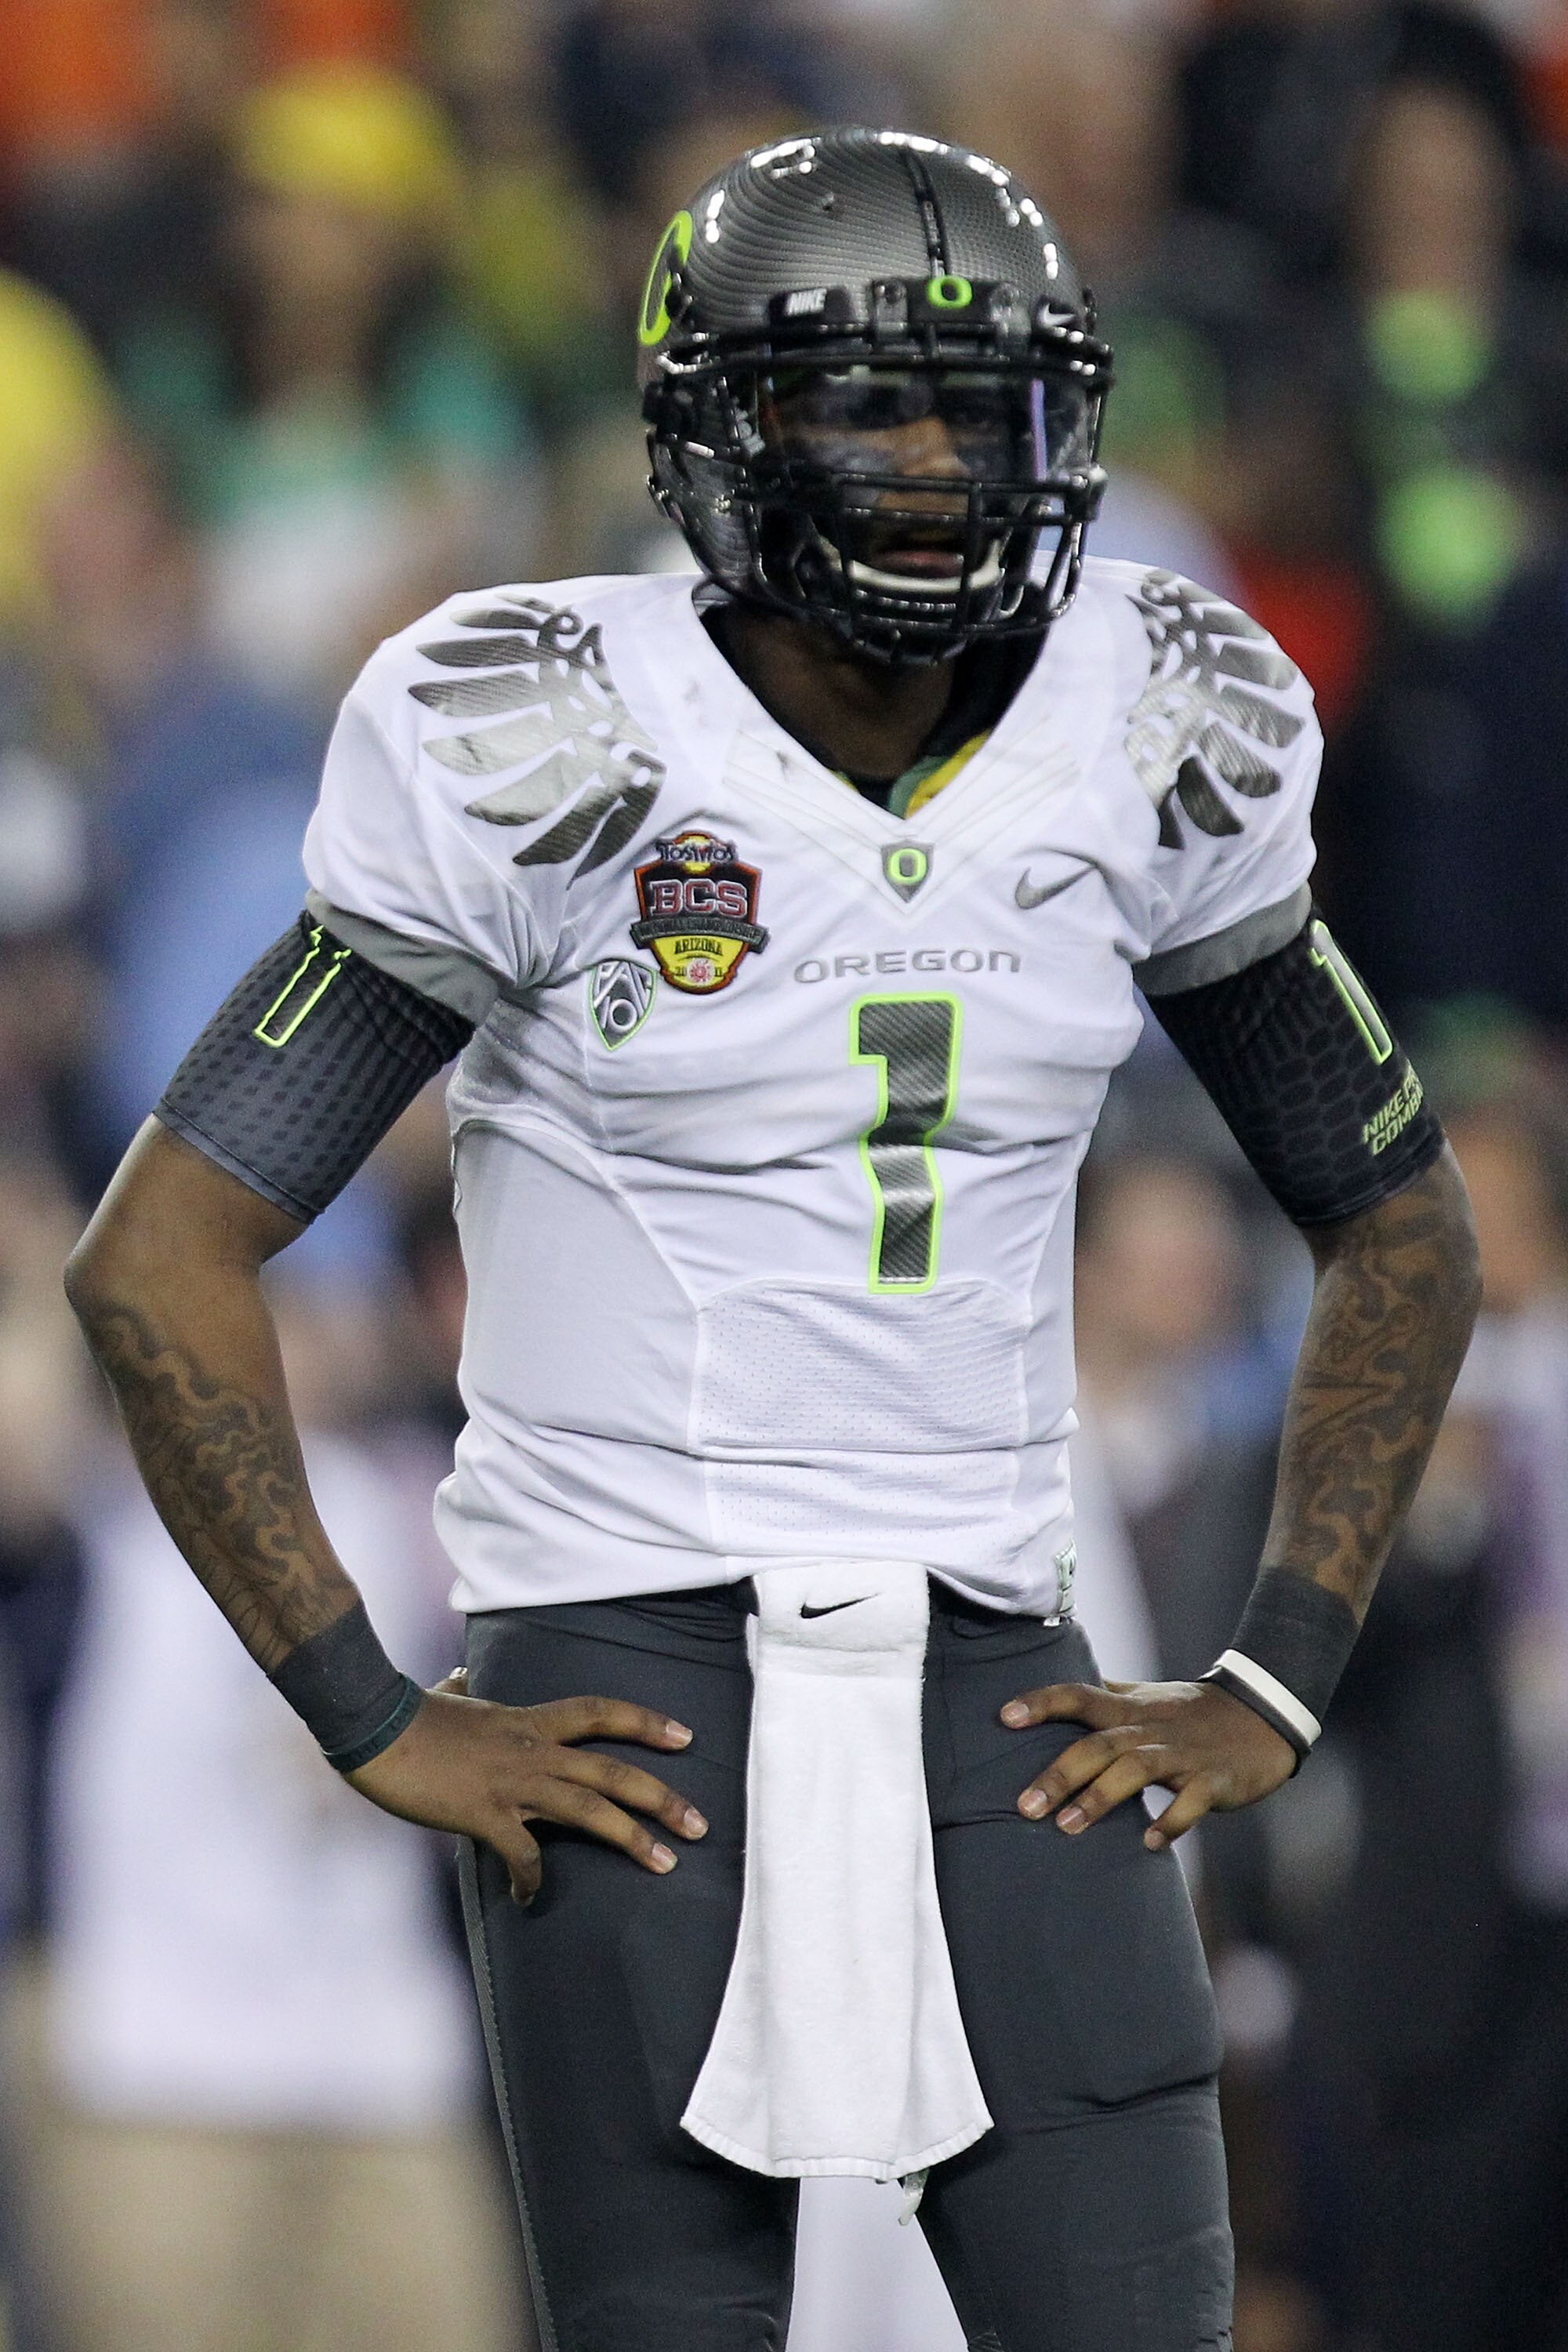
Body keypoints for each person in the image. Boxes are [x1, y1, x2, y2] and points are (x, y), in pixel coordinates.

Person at [64, 130, 1479, 2352]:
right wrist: (370, 1712)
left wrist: (1275, 1672)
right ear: (712, 436)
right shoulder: (541, 730)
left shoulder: (1154, 716)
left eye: (980, 406)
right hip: (630, 1690)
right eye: (861, 406)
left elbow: (1403, 1225)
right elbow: (157, 1254)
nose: (933, 465)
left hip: (1010, 1686)